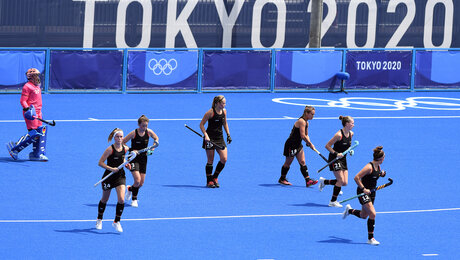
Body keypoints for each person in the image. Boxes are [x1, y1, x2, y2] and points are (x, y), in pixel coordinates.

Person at [342, 146, 387, 246]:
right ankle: (370, 238)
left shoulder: (378, 166)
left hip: (372, 192)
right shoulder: (369, 167)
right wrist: (363, 189)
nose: (384, 159)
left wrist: (381, 174)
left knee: (364, 215)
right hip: (363, 192)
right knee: (373, 214)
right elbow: (356, 177)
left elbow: (375, 176)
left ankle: (349, 210)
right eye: (384, 157)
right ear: (380, 159)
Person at [6, 68, 48, 161]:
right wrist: (28, 110)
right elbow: (23, 101)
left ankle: (37, 154)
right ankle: (14, 149)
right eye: (36, 75)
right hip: (31, 113)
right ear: (31, 76)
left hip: (38, 112)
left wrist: (39, 111)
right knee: (34, 133)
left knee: (41, 131)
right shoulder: (27, 86)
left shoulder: (37, 85)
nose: (38, 77)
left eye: (38, 75)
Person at [96, 128, 132, 233]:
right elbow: (100, 163)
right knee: (105, 199)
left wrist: (127, 164)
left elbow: (123, 159)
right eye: (118, 137)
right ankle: (99, 219)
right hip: (109, 176)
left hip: (120, 176)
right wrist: (112, 169)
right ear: (114, 138)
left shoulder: (125, 148)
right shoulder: (110, 149)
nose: (120, 139)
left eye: (121, 137)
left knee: (121, 200)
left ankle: (116, 221)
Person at [123, 115, 159, 208]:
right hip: (134, 158)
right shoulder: (133, 133)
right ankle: (134, 199)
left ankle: (130, 189)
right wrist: (131, 149)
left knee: (141, 184)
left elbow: (156, 139)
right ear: (139, 125)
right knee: (137, 181)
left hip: (144, 158)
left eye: (146, 126)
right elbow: (123, 142)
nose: (144, 128)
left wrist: (153, 147)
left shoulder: (149, 132)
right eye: (143, 126)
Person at [318, 116, 355, 208]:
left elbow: (348, 146)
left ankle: (324, 182)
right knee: (340, 180)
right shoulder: (339, 135)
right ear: (346, 124)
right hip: (334, 158)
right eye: (352, 123)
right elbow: (327, 146)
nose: (353, 125)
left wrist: (350, 150)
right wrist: (336, 153)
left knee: (344, 182)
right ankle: (333, 201)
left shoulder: (351, 134)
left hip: (343, 159)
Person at [278, 105, 318, 187]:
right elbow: (302, 136)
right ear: (306, 113)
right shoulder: (301, 121)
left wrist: (309, 143)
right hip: (291, 145)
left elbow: (306, 135)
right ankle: (282, 179)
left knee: (302, 162)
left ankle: (308, 180)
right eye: (312, 114)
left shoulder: (307, 122)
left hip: (298, 145)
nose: (313, 116)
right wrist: (309, 144)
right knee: (287, 163)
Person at [199, 95, 231, 188]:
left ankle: (215, 177)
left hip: (219, 138)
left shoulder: (224, 111)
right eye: (223, 103)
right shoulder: (210, 112)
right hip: (210, 138)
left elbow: (225, 123)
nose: (224, 105)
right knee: (210, 160)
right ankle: (209, 181)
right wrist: (206, 135)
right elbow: (201, 125)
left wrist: (228, 134)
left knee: (224, 159)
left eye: (225, 103)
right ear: (217, 103)